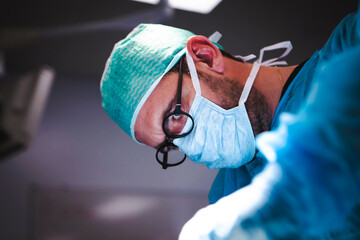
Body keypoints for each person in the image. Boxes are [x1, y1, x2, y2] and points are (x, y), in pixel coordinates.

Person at [100, 8, 360, 239]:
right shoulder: (228, 195)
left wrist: (286, 199)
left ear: (206, 56)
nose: (189, 146)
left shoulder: (349, 46)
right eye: (170, 144)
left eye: (175, 115)